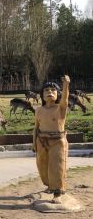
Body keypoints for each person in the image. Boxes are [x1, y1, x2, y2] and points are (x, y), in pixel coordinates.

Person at [33, 75, 70, 204]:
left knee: (57, 167)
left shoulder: (60, 109)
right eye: (46, 90)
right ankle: (50, 186)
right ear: (42, 95)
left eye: (53, 90)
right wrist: (34, 144)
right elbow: (36, 128)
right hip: (41, 141)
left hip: (57, 141)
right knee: (42, 166)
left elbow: (65, 99)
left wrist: (66, 85)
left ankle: (57, 192)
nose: (49, 92)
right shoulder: (39, 110)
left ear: (58, 94)